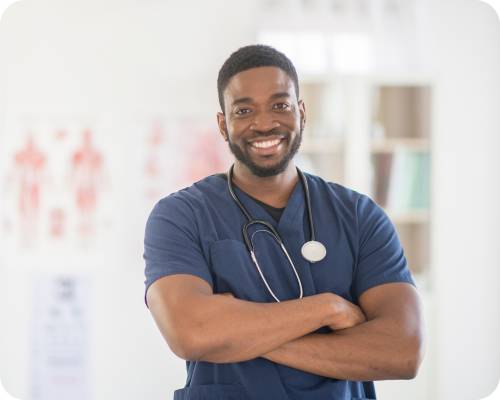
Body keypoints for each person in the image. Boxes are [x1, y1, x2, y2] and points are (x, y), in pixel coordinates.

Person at [143, 44, 424, 400]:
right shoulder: (181, 216)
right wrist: (328, 308)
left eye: (280, 105)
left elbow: (403, 352)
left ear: (302, 113)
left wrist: (233, 333)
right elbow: (190, 333)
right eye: (244, 110)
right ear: (223, 124)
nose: (264, 123)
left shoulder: (359, 216)